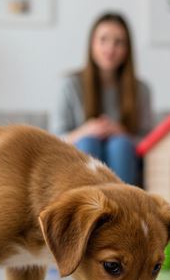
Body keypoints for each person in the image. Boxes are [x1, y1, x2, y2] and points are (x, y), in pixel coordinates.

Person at [52, 12, 153, 185]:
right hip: (79, 158)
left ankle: (123, 209)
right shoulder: (70, 85)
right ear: (92, 44)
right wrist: (85, 131)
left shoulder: (141, 90)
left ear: (127, 48)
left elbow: (150, 142)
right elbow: (54, 140)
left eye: (119, 42)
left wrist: (122, 132)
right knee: (88, 143)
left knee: (120, 145)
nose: (110, 48)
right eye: (103, 39)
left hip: (125, 158)